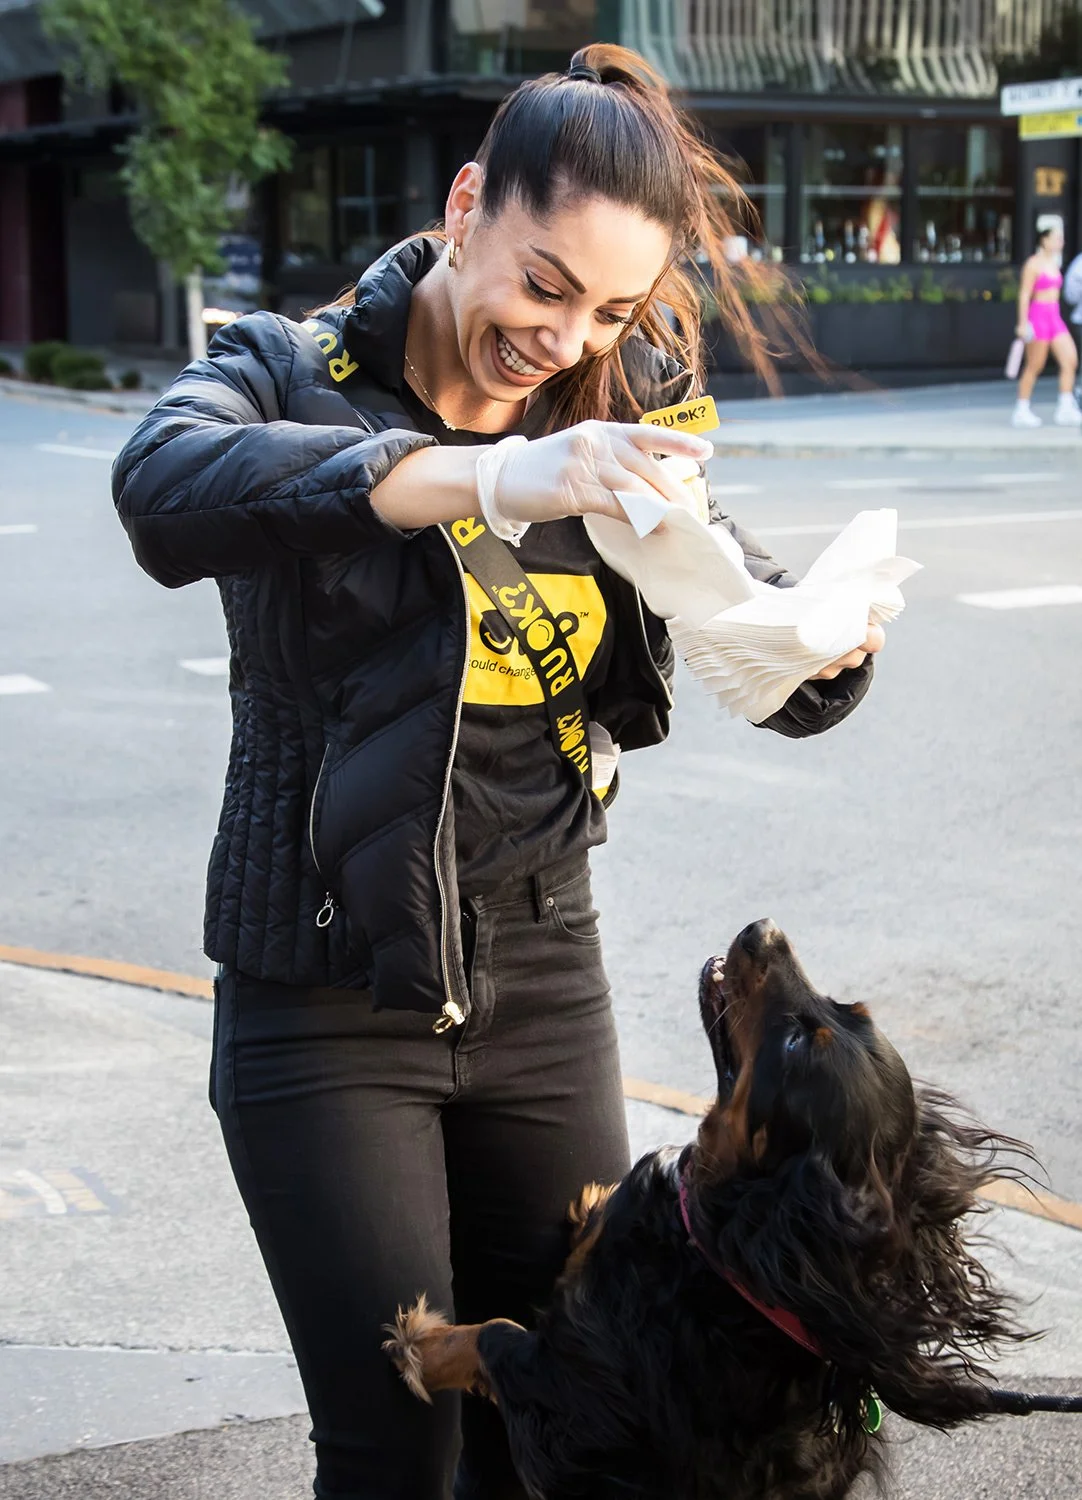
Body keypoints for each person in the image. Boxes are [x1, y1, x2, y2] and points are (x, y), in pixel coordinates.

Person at [112, 45, 884, 1500]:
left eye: (608, 307)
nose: (564, 337)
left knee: (561, 1420)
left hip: (542, 975)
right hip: (326, 989)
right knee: (400, 1446)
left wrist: (821, 643)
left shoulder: (614, 391)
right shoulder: (289, 369)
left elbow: (731, 602)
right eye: (543, 285)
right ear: (466, 205)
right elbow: (161, 490)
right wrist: (481, 479)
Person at [1011, 213, 1081, 428]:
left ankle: (1065, 406)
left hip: (1054, 316)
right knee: (1035, 365)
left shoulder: (1054, 263)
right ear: (1044, 239)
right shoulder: (1033, 264)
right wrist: (1023, 323)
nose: (1061, 242)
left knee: (1070, 359)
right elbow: (1024, 294)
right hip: (1038, 316)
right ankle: (1021, 408)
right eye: (1056, 238)